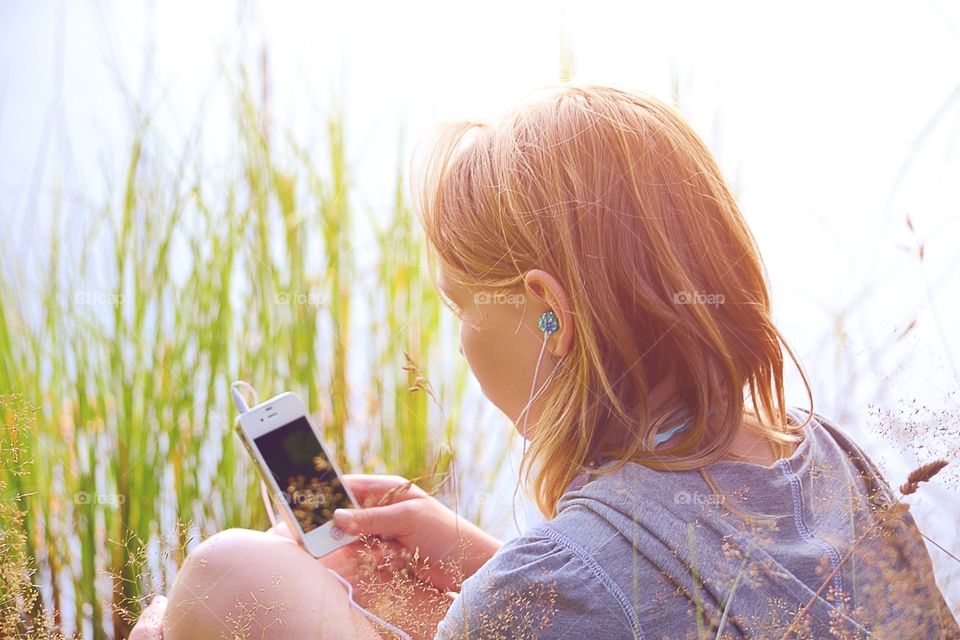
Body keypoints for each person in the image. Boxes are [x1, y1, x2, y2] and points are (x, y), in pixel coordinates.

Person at [130, 83, 959, 639]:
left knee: (223, 575)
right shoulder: (832, 459)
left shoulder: (551, 589)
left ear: (549, 313)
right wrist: (490, 567)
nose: (457, 340)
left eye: (460, 308)